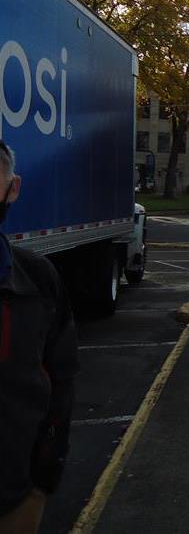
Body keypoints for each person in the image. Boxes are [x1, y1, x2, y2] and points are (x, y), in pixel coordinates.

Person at [0, 141, 78, 533]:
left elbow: (62, 380)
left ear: (13, 188)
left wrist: (42, 482)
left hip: (14, 498)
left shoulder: (38, 280)